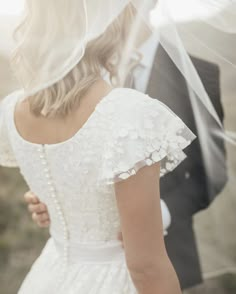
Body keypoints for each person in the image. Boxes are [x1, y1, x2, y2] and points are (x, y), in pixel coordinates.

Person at [0, 2, 198, 294]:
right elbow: (146, 267)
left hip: (48, 277)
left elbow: (60, 172)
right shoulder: (129, 114)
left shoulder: (10, 110)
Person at [25, 30, 228, 290]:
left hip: (170, 257)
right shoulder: (78, 71)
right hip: (84, 270)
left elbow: (213, 173)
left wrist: (159, 214)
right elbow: (64, 148)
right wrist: (51, 195)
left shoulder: (199, 73)